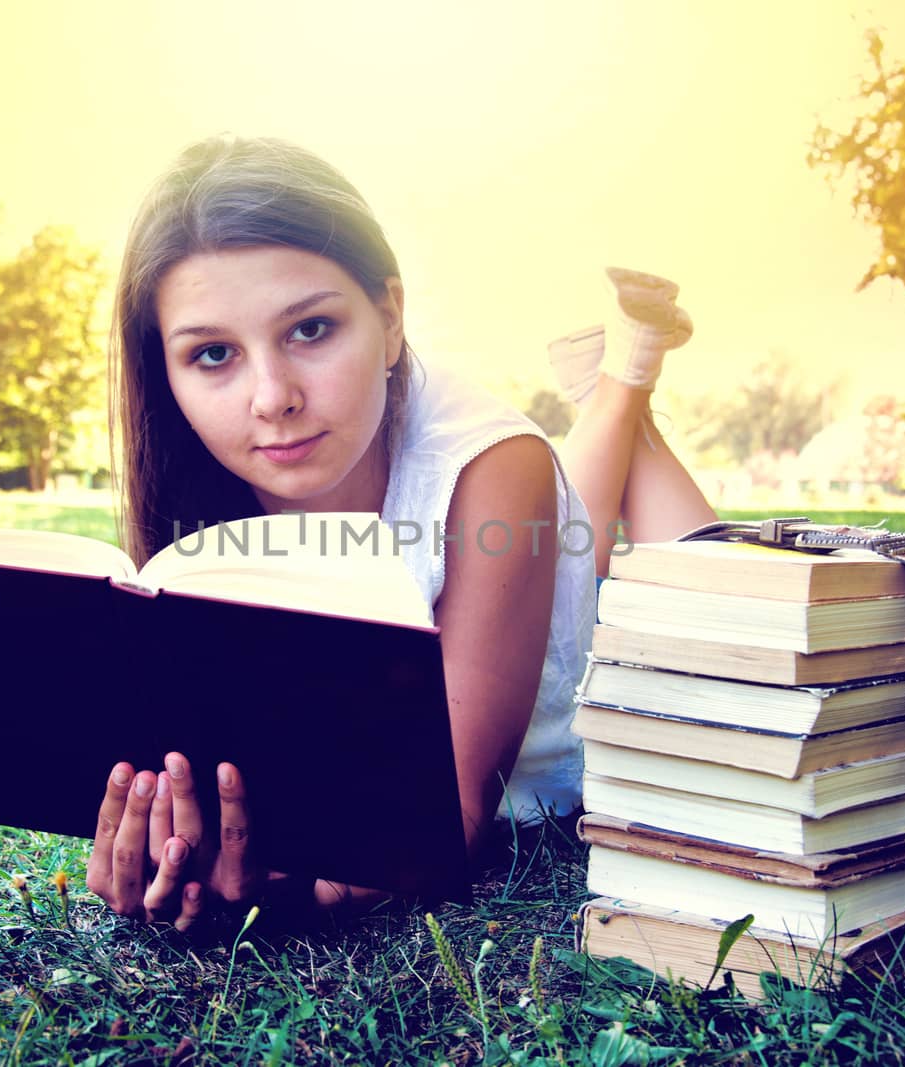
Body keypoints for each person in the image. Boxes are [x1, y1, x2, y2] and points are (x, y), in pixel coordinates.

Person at [86, 136, 715, 929]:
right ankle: (619, 389)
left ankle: (623, 386)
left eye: (311, 330)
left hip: (597, 654)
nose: (273, 396)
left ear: (388, 318)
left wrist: (279, 891)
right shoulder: (197, 491)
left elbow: (436, 820)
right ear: (166, 373)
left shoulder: (492, 463)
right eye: (213, 354)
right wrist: (172, 839)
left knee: (717, 583)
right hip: (527, 557)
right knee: (569, 534)